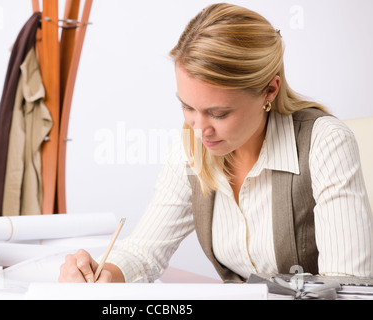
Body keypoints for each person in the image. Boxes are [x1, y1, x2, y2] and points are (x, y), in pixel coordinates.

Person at [59, 3, 373, 283]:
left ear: (270, 91)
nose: (199, 130)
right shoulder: (190, 150)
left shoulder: (325, 143)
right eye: (187, 107)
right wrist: (105, 274)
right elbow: (144, 252)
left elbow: (348, 286)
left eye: (219, 113)